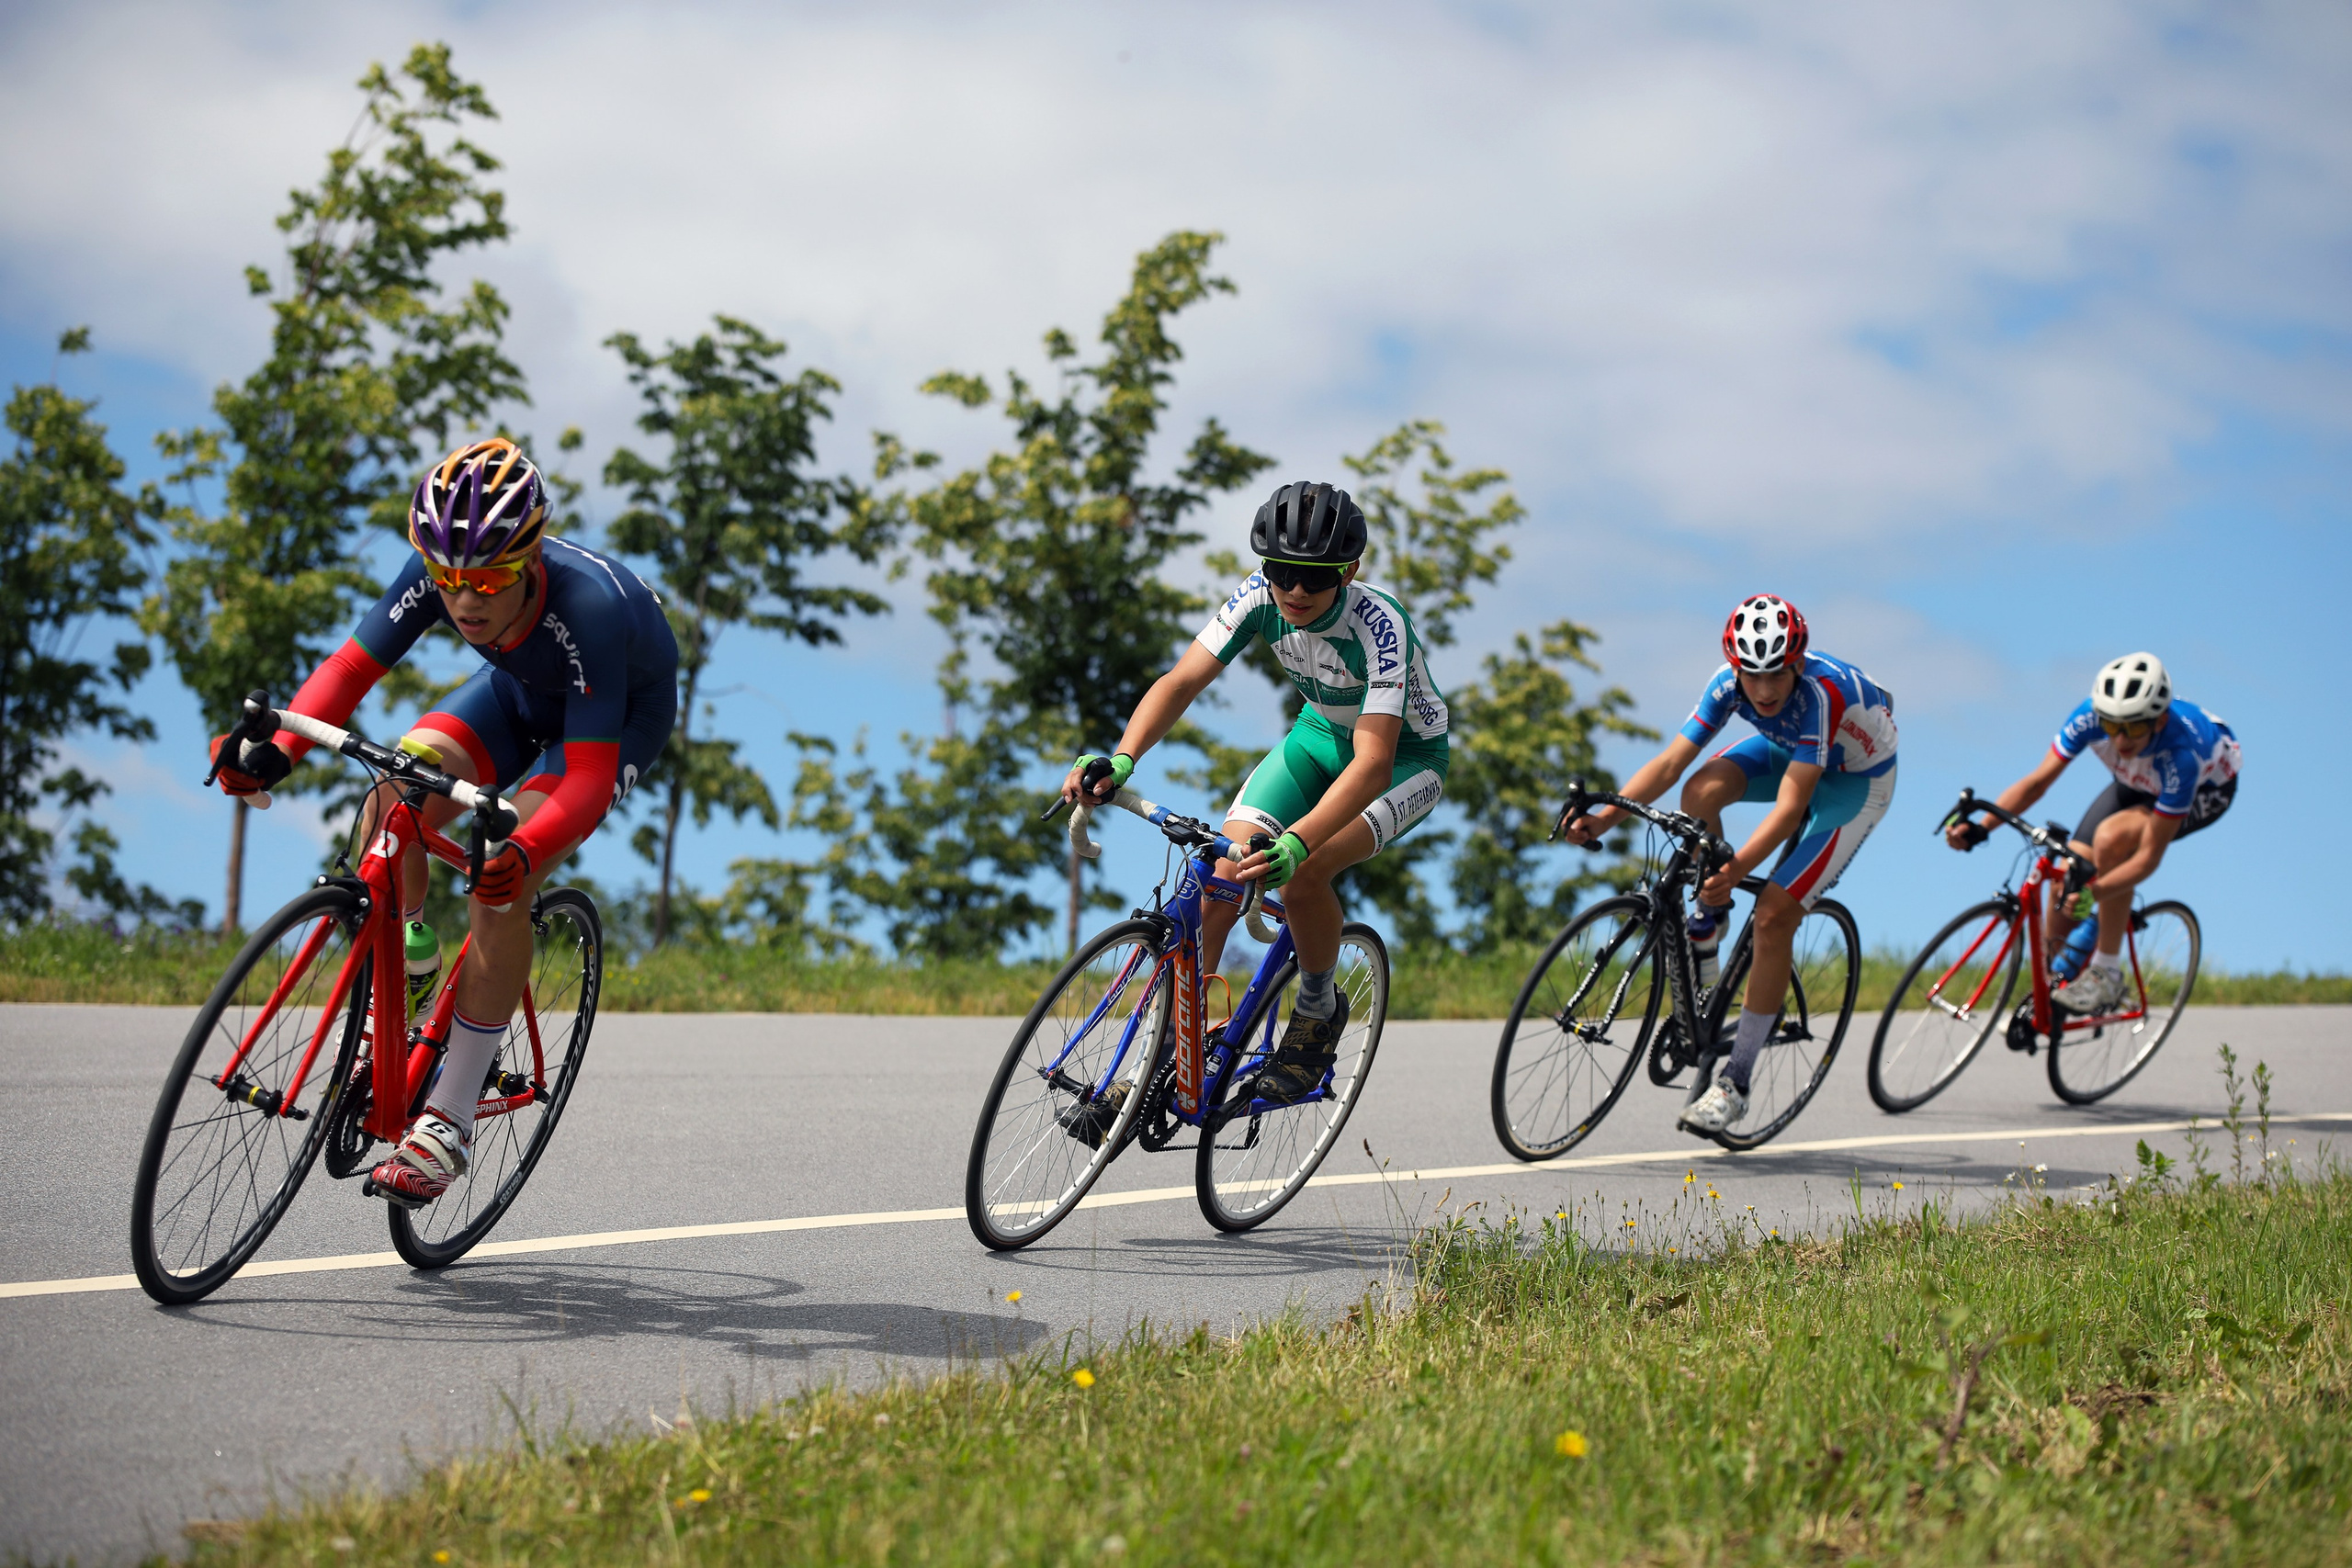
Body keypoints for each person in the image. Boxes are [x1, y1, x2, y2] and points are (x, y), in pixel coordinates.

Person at [209, 439, 678, 1207]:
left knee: (500, 881)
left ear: (528, 560)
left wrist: (523, 850)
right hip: (518, 691)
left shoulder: (586, 607)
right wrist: (275, 748)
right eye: (448, 578)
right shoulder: (443, 570)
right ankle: (415, 958)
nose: (465, 598)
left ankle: (449, 1120)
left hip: (612, 719)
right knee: (393, 794)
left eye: (489, 579)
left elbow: (588, 775)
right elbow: (352, 667)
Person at [1058, 480, 1449, 1106]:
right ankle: (1178, 1039)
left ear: (1349, 571)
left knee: (1303, 874)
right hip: (1317, 738)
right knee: (1221, 868)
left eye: (1312, 577)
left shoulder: (1380, 625)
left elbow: (1374, 763)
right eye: (1280, 570)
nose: (1293, 589)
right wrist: (1124, 757)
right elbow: (1183, 679)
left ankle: (1318, 1010)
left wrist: (1298, 840)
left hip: (1405, 761)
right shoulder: (1257, 597)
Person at [1561, 595, 1896, 1134]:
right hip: (1790, 751)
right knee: (1700, 792)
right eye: (1752, 677)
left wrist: (1736, 872)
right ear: (1736, 668)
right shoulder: (1726, 684)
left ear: (1797, 665)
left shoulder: (1818, 695)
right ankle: (1712, 920)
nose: (1763, 691)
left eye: (1776, 677)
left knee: (1772, 914)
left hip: (1856, 781)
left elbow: (1791, 809)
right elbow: (1672, 763)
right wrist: (1602, 820)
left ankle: (1735, 1083)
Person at [1946, 651, 2238, 1016]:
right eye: (2111, 725)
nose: (2119, 739)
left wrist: (2095, 892)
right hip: (2135, 781)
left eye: (2131, 727)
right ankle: (2057, 978)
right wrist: (1981, 827)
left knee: (2112, 841)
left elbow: (2148, 858)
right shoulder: (2091, 717)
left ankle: (2107, 972)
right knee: (2070, 872)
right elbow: (2037, 783)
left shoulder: (2181, 755)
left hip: (2205, 791)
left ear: (2159, 721)